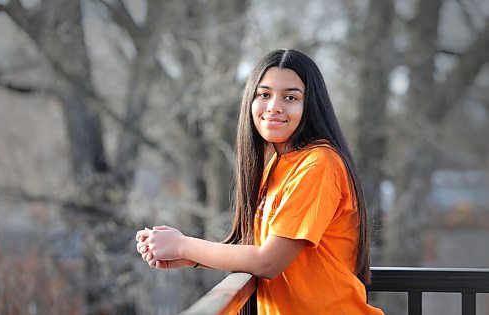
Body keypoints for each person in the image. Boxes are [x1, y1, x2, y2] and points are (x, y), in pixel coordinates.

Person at [136, 49, 384, 314]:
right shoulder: (276, 166)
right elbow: (259, 252)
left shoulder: (319, 163)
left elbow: (268, 262)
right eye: (264, 94)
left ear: (309, 106)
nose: (274, 106)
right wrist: (188, 258)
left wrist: (183, 244)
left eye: (290, 97)